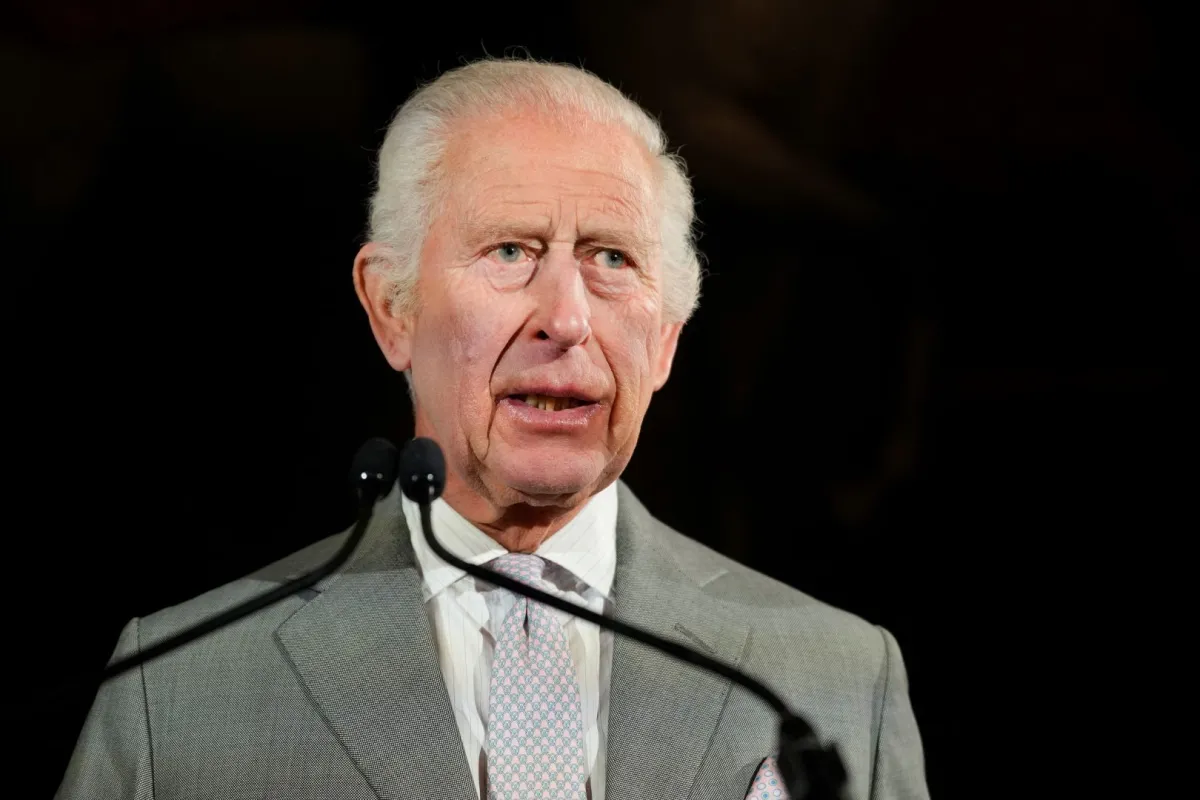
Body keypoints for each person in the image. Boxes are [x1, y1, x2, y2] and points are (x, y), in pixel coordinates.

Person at [57, 58, 928, 800]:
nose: (567, 318)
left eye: (612, 258)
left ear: (666, 339)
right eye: (511, 251)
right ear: (392, 308)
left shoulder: (836, 677)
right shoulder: (178, 691)